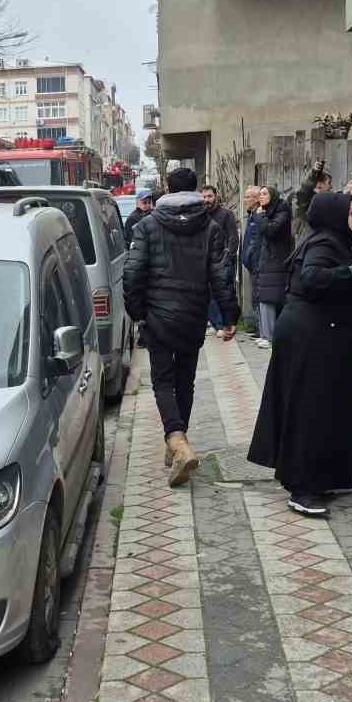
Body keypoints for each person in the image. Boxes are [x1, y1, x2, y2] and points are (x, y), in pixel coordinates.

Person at [249, 193, 352, 516]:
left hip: (328, 339)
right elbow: (311, 279)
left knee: (337, 407)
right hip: (310, 340)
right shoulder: (323, 244)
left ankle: (335, 474)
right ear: (334, 216)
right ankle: (303, 486)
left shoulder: (333, 241)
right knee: (310, 411)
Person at [124, 167, 239, 487]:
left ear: (167, 190)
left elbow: (133, 273)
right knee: (185, 382)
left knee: (162, 381)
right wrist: (229, 316)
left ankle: (176, 441)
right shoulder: (211, 227)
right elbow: (220, 276)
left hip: (158, 317)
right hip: (193, 315)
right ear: (195, 191)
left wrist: (137, 312)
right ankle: (177, 444)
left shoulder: (147, 225)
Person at [244, 185, 291, 349]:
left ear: (273, 196)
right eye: (260, 194)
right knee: (264, 298)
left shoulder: (281, 211)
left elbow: (269, 230)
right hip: (265, 261)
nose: (260, 197)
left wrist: (260, 216)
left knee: (270, 298)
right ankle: (265, 334)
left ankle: (270, 336)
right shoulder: (264, 212)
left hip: (276, 262)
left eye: (264, 194)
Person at [201, 184, 241, 333]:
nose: (207, 200)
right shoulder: (201, 215)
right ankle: (217, 323)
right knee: (208, 294)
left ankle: (225, 324)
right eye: (204, 197)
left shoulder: (226, 214)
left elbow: (233, 238)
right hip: (206, 262)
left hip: (222, 262)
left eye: (209, 196)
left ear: (216, 196)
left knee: (224, 294)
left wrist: (227, 257)